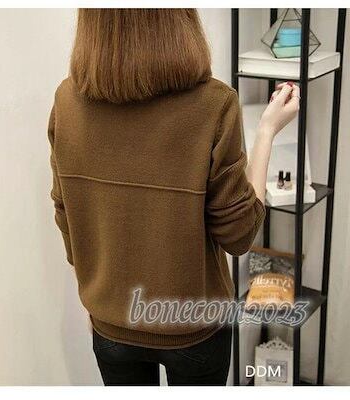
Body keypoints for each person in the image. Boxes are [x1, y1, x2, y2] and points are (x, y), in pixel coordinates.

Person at [48, 9, 300, 386]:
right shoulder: (214, 104)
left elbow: (65, 213)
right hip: (195, 328)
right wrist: (266, 132)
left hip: (111, 327)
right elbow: (240, 235)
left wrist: (99, 296)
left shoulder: (67, 101)